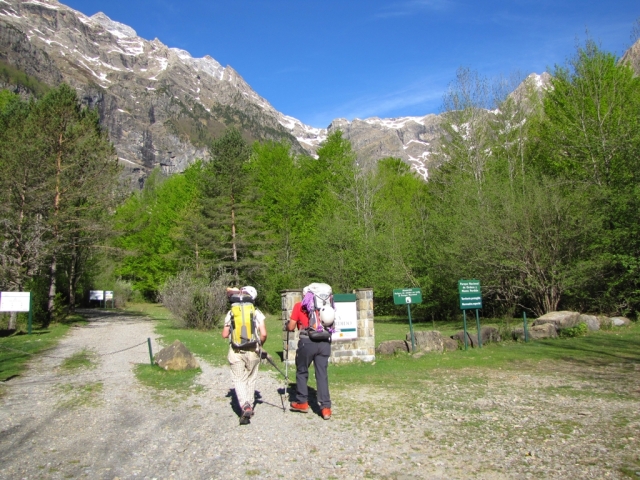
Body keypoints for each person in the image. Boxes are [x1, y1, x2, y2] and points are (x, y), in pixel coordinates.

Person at [221, 286, 267, 425]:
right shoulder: (257, 313)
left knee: (239, 379)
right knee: (251, 378)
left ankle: (244, 406)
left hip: (236, 351)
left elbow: (224, 334)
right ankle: (250, 405)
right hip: (253, 350)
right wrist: (260, 345)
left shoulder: (231, 313)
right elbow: (263, 334)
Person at [286, 292, 332, 420]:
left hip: (307, 342)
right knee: (322, 374)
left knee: (302, 371)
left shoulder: (299, 306)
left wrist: (287, 326)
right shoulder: (326, 305)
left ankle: (302, 402)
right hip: (324, 342)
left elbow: (291, 326)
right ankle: (326, 408)